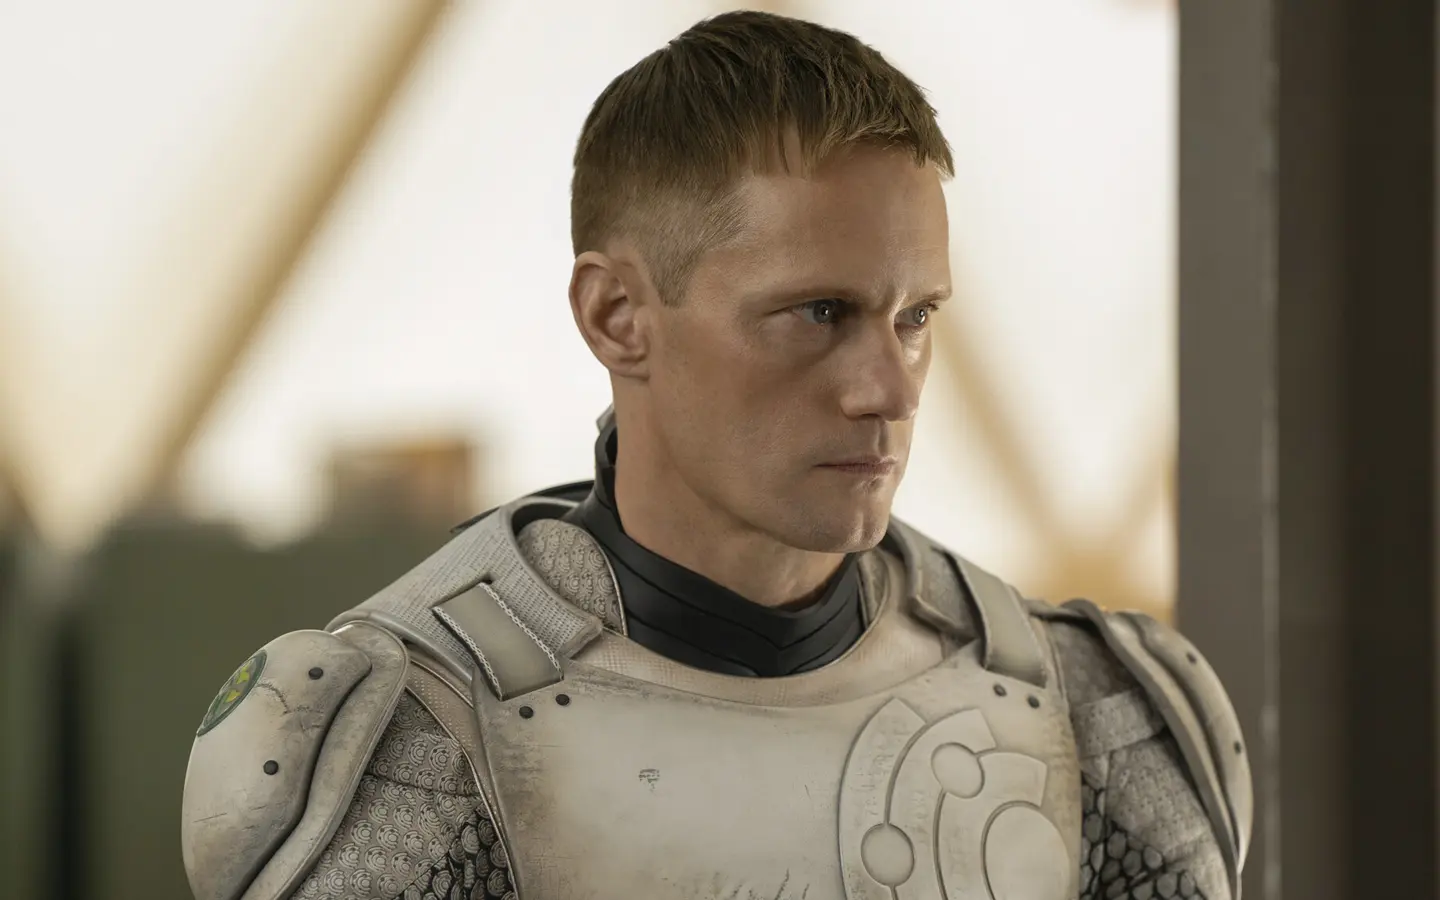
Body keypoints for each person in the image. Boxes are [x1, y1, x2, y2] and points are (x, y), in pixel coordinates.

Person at [180, 11, 1250, 900]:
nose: (887, 389)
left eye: (915, 317)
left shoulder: (1091, 715)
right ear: (616, 317)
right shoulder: (418, 742)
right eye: (819, 313)